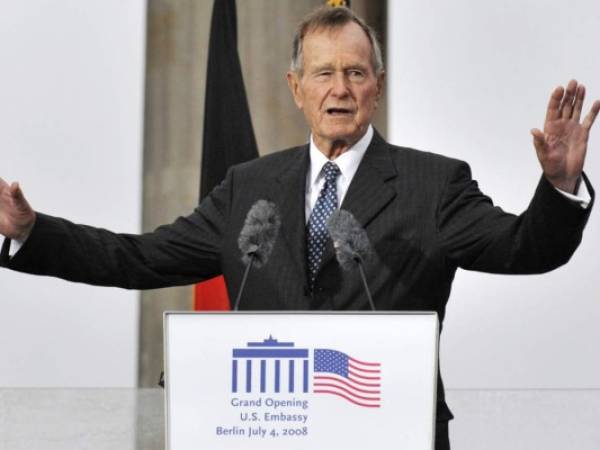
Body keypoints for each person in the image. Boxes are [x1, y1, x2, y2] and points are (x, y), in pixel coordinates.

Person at [0, 6, 598, 450]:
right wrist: (31, 230)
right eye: (323, 74)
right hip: (266, 437)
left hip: (388, 436)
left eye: (356, 73)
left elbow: (525, 248)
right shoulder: (247, 188)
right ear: (296, 88)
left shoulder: (433, 185)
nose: (340, 89)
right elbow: (138, 259)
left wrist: (559, 189)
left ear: (378, 87)